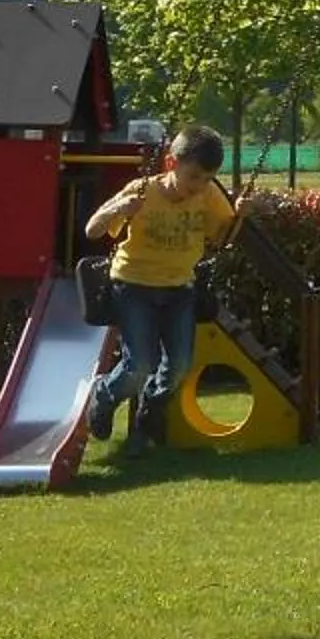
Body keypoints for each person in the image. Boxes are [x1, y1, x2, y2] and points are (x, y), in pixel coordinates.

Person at [83, 123, 237, 451]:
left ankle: (149, 411)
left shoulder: (209, 195)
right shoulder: (141, 191)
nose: (199, 186)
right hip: (133, 285)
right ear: (171, 163)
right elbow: (92, 230)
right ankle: (104, 395)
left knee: (179, 365)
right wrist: (118, 209)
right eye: (193, 177)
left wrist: (243, 215)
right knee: (139, 365)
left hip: (180, 287)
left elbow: (224, 237)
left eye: (208, 179)